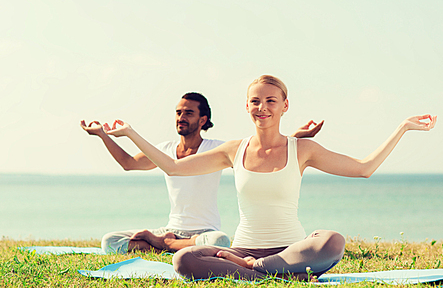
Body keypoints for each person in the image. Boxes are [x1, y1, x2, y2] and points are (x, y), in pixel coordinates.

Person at [104, 75, 437, 280]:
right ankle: (270, 272)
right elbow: (174, 167)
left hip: (290, 249)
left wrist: (402, 128)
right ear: (247, 106)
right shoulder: (234, 150)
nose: (262, 107)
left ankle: (255, 271)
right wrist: (131, 133)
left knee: (332, 240)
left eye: (270, 101)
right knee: (183, 260)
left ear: (284, 106)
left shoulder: (302, 149)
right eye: (255, 101)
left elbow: (364, 168)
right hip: (244, 247)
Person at [81, 92, 323, 254]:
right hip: (171, 229)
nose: (181, 117)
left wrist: (295, 138)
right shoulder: (165, 151)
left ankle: (165, 245)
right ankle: (169, 243)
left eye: (188, 113)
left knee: (220, 242)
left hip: (204, 234)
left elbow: (259, 151)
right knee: (110, 242)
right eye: (178, 112)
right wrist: (102, 135)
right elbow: (128, 163)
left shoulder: (215, 149)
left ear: (202, 119)